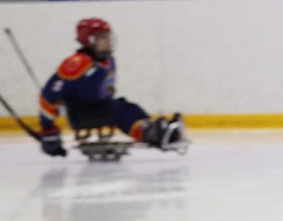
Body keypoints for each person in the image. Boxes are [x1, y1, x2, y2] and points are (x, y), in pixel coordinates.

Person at [37, 18, 185, 157]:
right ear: (90, 41)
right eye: (103, 37)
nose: (108, 41)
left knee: (127, 105)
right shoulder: (77, 64)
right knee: (118, 109)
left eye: (108, 36)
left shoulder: (107, 60)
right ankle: (150, 133)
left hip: (99, 108)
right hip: (82, 114)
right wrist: (48, 129)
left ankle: (151, 127)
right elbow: (49, 95)